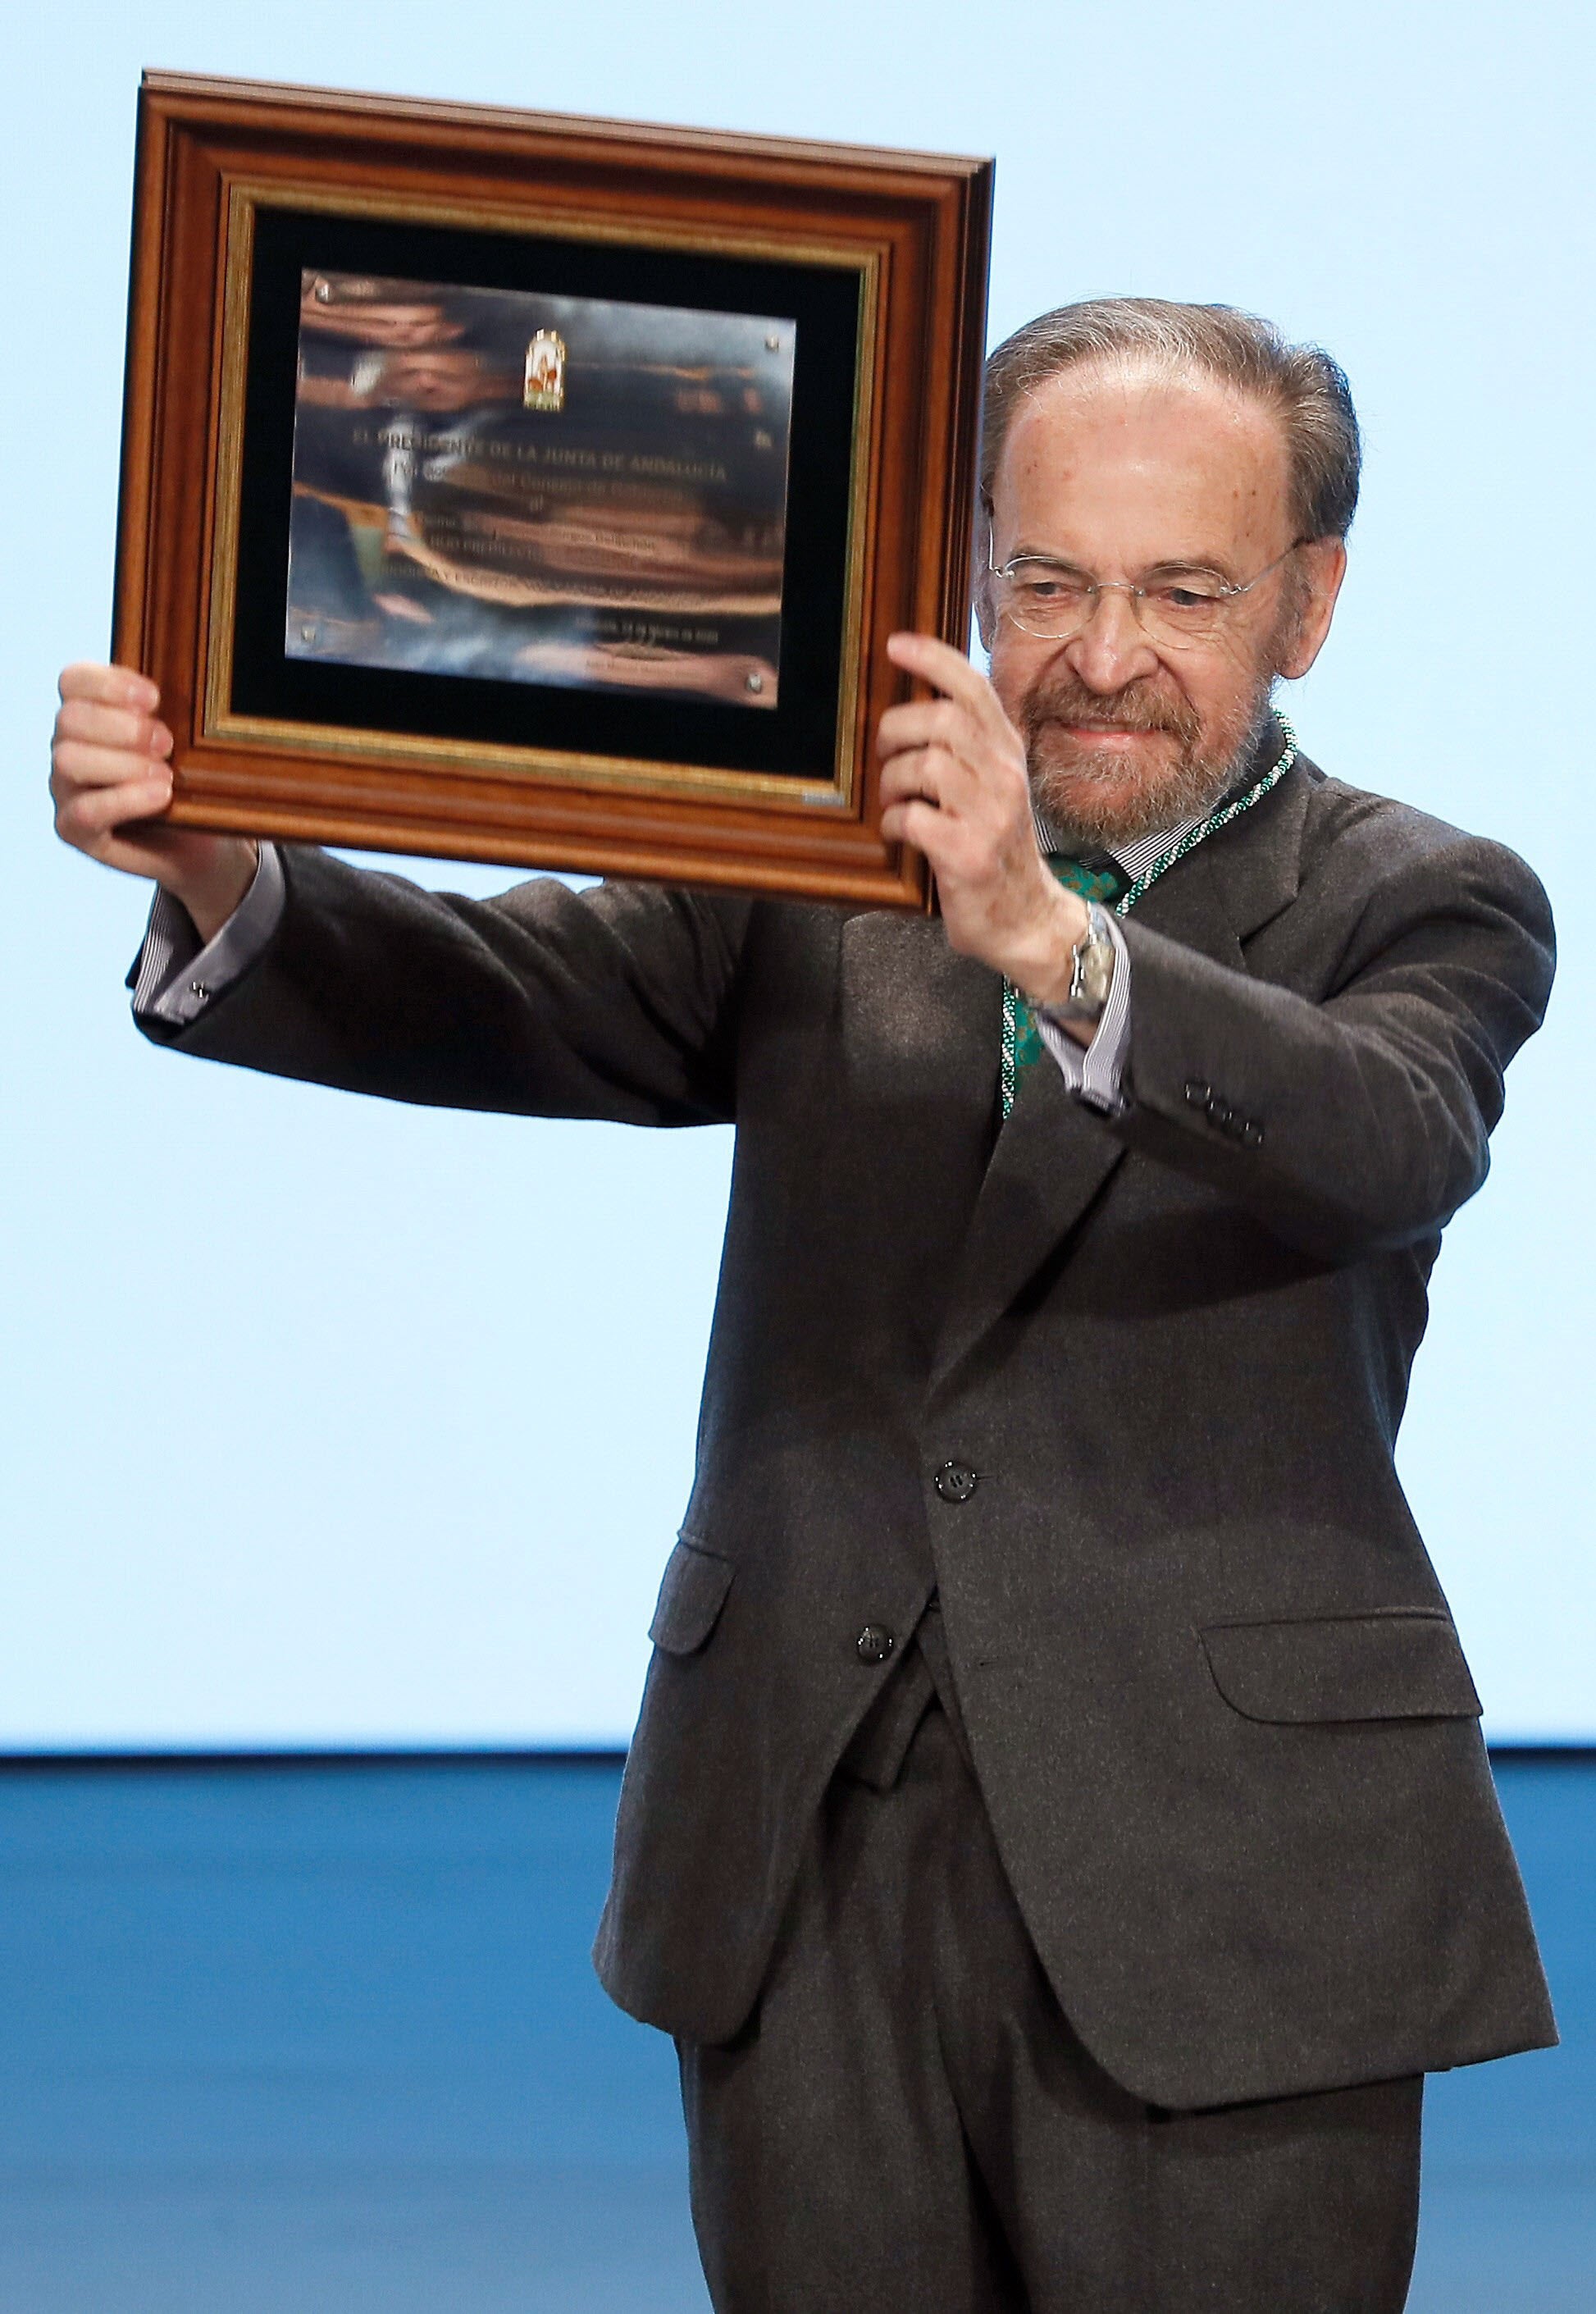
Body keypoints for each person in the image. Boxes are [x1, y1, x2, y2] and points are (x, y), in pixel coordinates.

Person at [51, 298, 1557, 2314]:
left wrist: (1048, 943)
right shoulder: (818, 859)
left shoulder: (1429, 899)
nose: (1099, 654)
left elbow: (1380, 1135)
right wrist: (228, 868)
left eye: (1180, 591)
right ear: (963, 575)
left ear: (1306, 606)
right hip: (804, 1846)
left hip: (1227, 1885)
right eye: (1044, 581)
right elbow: (508, 997)